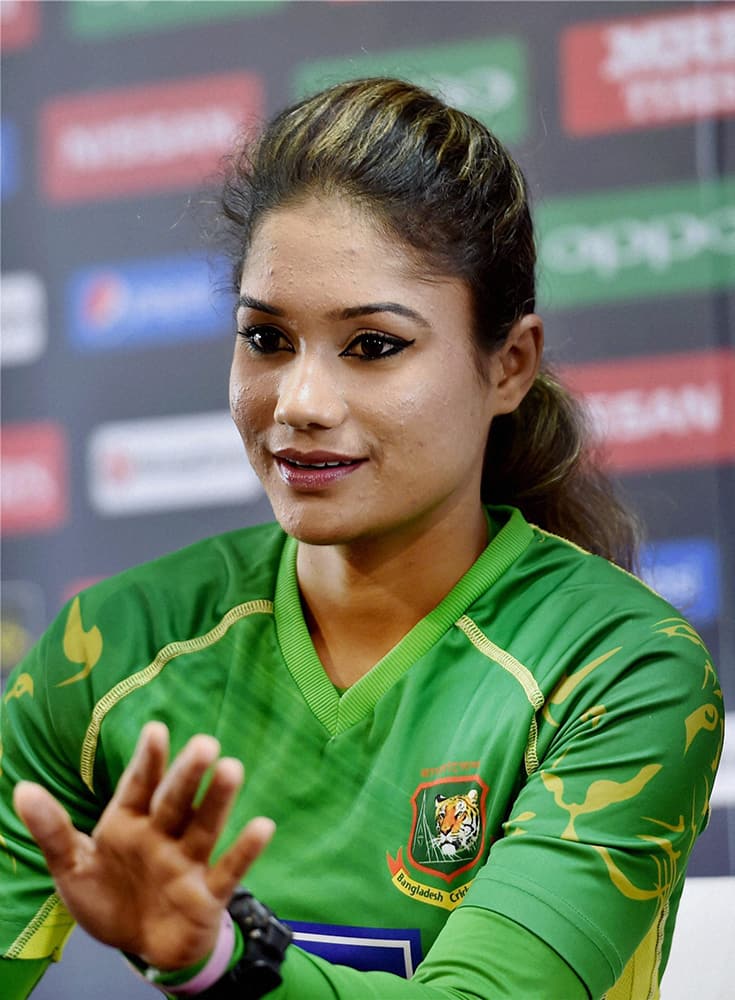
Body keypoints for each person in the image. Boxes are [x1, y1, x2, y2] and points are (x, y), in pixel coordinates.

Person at [0, 78, 724, 1000]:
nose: (298, 404)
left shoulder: (620, 670)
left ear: (509, 365)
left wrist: (218, 959)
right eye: (265, 337)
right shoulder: (107, 652)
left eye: (373, 345)